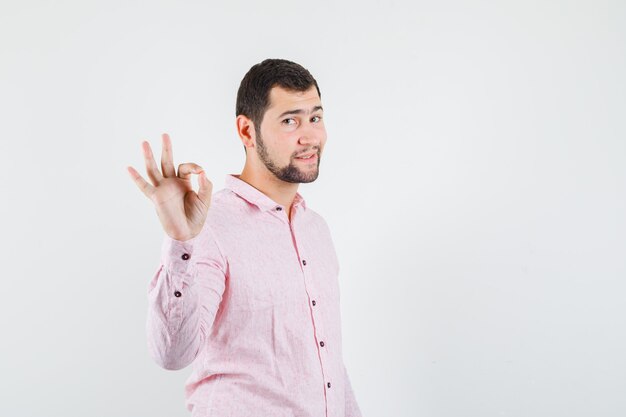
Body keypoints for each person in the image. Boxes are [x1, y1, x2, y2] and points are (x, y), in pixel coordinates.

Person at [126, 58, 362, 417]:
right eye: (290, 120)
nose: (310, 136)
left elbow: (328, 363)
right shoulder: (211, 226)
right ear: (247, 132)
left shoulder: (317, 229)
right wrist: (181, 240)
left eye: (315, 117)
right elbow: (171, 354)